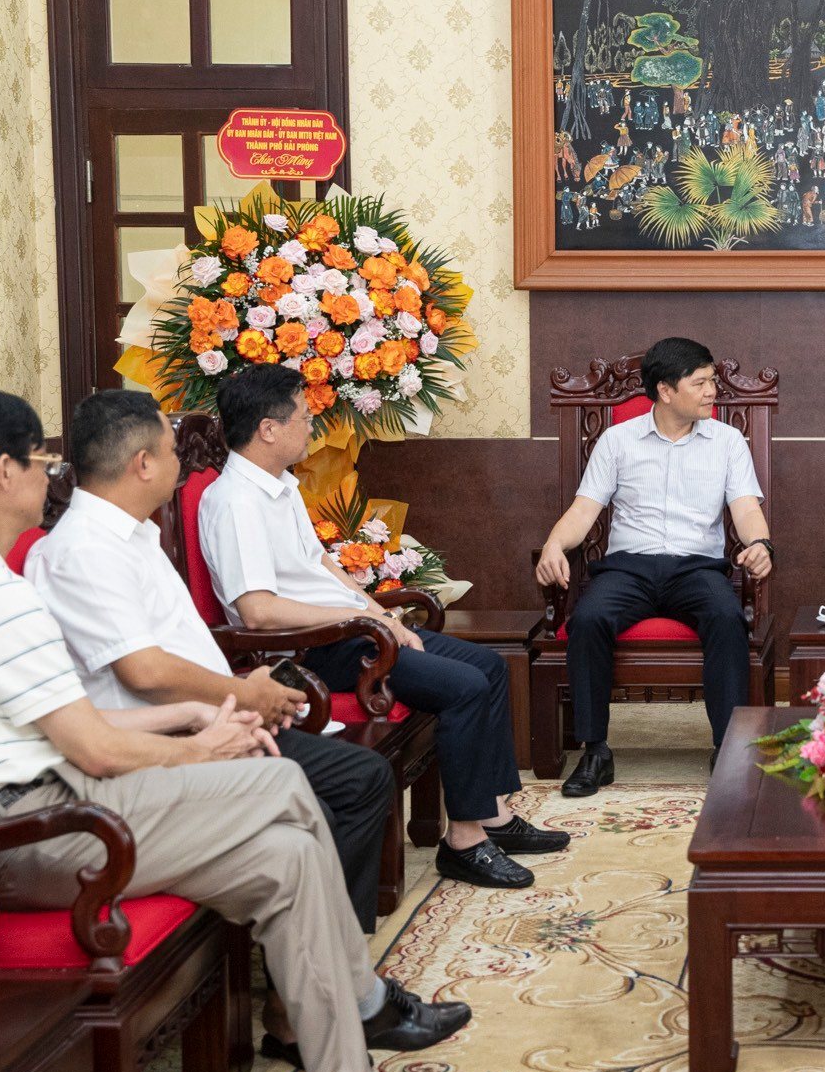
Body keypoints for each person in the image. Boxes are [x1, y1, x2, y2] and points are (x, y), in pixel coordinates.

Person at [0, 390, 465, 1072]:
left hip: (46, 803)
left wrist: (195, 717)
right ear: (2, 472)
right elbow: (92, 747)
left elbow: (72, 724)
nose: (47, 476)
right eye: (38, 461)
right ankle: (363, 1006)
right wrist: (207, 747)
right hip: (15, 834)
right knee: (280, 787)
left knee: (289, 857)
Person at [26, 389, 394, 939]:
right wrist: (242, 696)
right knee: (347, 781)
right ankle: (329, 970)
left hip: (209, 712)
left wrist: (244, 698)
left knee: (362, 778)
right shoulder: (83, 550)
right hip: (165, 738)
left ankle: (332, 963)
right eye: (173, 451)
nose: (183, 463)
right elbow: (144, 673)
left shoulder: (135, 535)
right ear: (142, 463)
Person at [200, 366, 567, 891]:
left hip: (353, 631)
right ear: (268, 428)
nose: (312, 426)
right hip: (310, 650)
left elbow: (322, 566)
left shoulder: (277, 486)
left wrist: (381, 613)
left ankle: (493, 816)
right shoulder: (235, 501)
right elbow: (258, 611)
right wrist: (364, 620)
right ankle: (463, 842)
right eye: (305, 417)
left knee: (487, 665)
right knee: (463, 688)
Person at [536, 337, 773, 797]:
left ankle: (726, 748)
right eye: (701, 383)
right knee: (587, 619)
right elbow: (584, 512)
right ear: (666, 390)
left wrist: (761, 543)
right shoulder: (617, 440)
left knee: (727, 619)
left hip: (697, 569)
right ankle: (596, 751)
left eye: (712, 382)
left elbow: (745, 509)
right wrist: (552, 546)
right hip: (628, 569)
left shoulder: (726, 441)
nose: (712, 392)